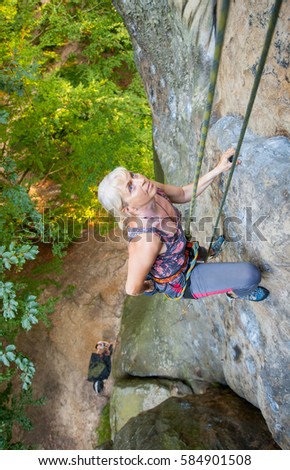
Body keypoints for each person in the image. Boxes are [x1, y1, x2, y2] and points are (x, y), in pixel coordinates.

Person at [98, 148, 269, 302]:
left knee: (200, 251)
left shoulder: (151, 190)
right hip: (182, 279)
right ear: (128, 209)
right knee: (250, 275)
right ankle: (238, 292)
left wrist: (219, 168)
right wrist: (151, 287)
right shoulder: (146, 239)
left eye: (133, 175)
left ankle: (210, 252)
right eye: (130, 187)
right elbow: (132, 288)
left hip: (183, 249)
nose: (140, 180)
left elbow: (183, 193)